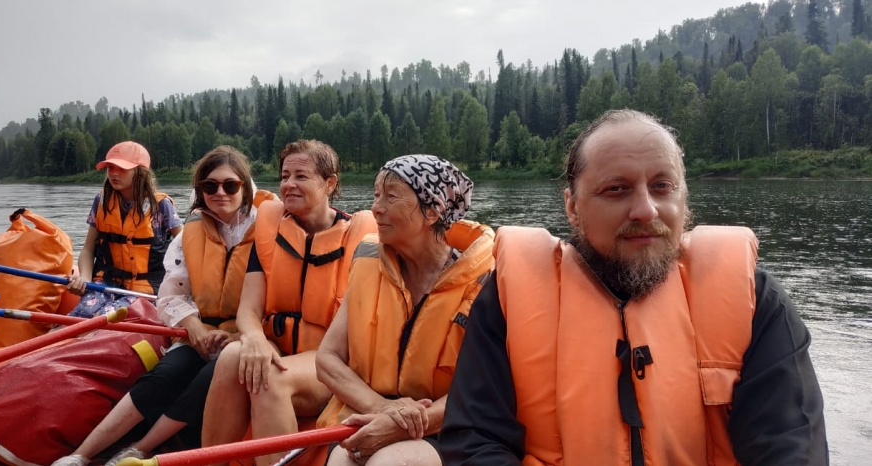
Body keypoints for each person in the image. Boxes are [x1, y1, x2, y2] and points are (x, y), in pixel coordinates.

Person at [439, 109, 828, 465]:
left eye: (662, 186)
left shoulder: (752, 299)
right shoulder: (507, 301)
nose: (646, 210)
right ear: (572, 207)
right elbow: (475, 442)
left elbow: (789, 446)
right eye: (617, 189)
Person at [51, 146, 278, 466]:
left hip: (247, 338)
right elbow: (171, 294)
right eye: (209, 186)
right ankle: (80, 455)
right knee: (165, 375)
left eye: (230, 185)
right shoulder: (192, 233)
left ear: (244, 186)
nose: (220, 193)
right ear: (200, 190)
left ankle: (141, 449)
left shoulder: (270, 230)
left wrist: (242, 336)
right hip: (202, 330)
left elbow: (278, 298)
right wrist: (194, 327)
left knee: (209, 377)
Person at [202, 140, 377, 466]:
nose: (289, 184)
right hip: (279, 345)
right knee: (231, 356)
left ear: (330, 183)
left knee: (271, 376)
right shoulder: (270, 231)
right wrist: (253, 338)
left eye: (301, 176)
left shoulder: (362, 240)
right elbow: (249, 309)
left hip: (328, 361)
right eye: (285, 176)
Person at [315, 155, 494, 466]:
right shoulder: (368, 262)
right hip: (368, 412)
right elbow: (327, 359)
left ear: (432, 210)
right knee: (341, 463)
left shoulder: (484, 283)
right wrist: (382, 409)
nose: (376, 207)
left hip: (442, 428)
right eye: (376, 194)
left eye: (392, 195)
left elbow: (481, 387)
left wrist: (406, 423)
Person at [66, 141, 182, 318]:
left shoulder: (161, 206)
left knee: (101, 319)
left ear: (140, 172)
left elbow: (186, 247)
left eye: (122, 168)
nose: (114, 173)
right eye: (110, 168)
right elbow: (88, 249)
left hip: (144, 293)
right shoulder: (102, 201)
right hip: (105, 285)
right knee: (75, 319)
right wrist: (85, 280)